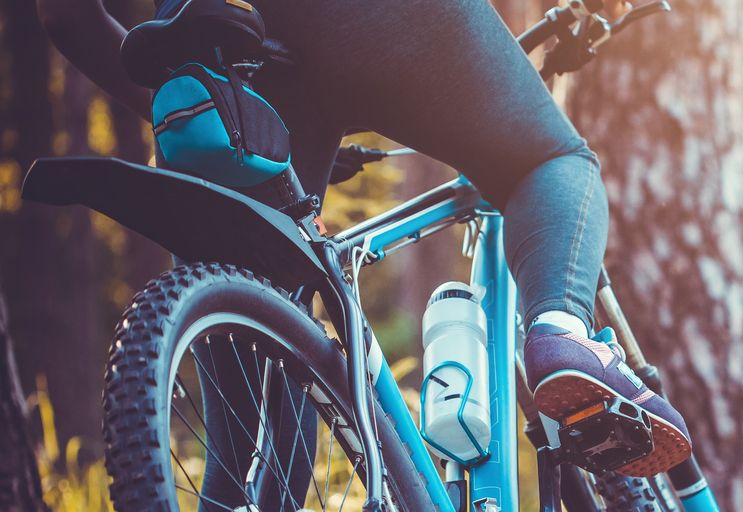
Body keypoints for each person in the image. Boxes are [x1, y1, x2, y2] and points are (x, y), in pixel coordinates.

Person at [36, 0, 691, 472]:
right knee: (547, 161)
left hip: (217, 49)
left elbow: (67, 18)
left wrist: (234, 117)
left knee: (246, 461)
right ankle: (560, 332)